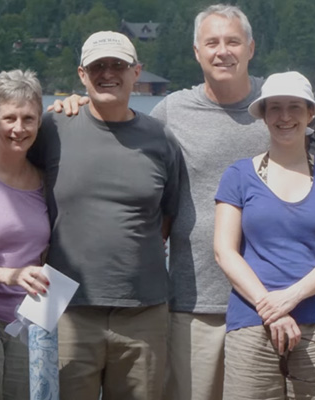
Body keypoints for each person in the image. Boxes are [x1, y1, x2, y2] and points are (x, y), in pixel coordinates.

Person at [48, 6, 268, 398]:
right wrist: (66, 106)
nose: (222, 51)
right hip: (88, 303)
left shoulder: (279, 107)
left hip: (233, 299)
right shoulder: (55, 128)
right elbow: (8, 174)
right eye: (212, 42)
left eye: (232, 41)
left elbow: (163, 212)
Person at [29, 31, 181, 400]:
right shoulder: (53, 128)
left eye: (118, 65)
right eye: (98, 66)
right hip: (63, 307)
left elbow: (168, 217)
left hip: (143, 310)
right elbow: (16, 186)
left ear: (136, 72)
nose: (108, 73)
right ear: (82, 74)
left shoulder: (161, 138)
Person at [214, 71, 315, 399]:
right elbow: (225, 252)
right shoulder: (238, 175)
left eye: (295, 107)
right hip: (251, 322)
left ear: (310, 114)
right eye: (274, 107)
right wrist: (270, 307)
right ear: (263, 115)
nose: (284, 116)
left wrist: (290, 298)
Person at [0, 69, 50, 400]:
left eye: (29, 118)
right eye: (10, 118)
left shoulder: (44, 179)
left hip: (27, 322)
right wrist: (9, 275)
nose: (19, 129)